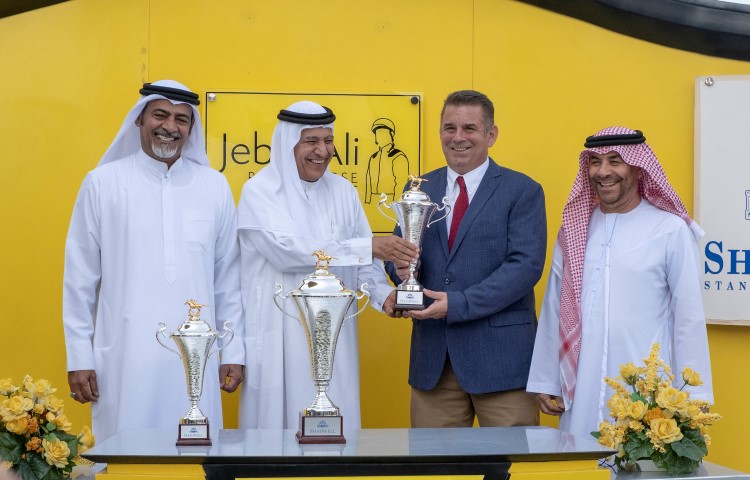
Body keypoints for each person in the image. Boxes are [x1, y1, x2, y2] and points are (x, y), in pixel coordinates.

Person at [63, 80, 245, 441]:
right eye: (160, 115)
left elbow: (228, 278)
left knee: (196, 451)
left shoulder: (214, 186)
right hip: (125, 355)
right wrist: (79, 357)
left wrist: (233, 350)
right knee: (126, 450)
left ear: (191, 129)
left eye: (181, 119)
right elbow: (80, 278)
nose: (170, 126)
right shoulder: (103, 183)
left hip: (198, 356)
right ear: (139, 120)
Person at [236, 101, 418, 429]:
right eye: (311, 141)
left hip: (336, 338)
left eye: (328, 140)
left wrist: (385, 297)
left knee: (336, 430)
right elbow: (287, 252)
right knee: (277, 436)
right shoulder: (260, 192)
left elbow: (364, 264)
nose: (322, 150)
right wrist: (366, 247)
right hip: (279, 336)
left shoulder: (343, 191)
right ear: (288, 144)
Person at [526, 126, 713, 442]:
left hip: (646, 388)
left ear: (638, 168)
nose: (603, 172)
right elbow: (555, 307)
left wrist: (694, 396)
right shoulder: (574, 230)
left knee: (640, 462)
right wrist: (547, 379)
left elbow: (689, 317)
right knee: (580, 459)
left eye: (615, 161)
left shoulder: (669, 230)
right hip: (582, 385)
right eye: (595, 162)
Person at [388, 90, 547, 427]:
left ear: (491, 134)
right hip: (434, 362)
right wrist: (401, 268)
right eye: (450, 128)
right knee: (433, 460)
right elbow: (398, 252)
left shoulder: (522, 190)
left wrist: (458, 304)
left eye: (469, 128)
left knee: (510, 458)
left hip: (502, 364)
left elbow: (525, 267)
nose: (458, 137)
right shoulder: (419, 188)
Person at [364, 117, 410, 204]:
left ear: (391, 134)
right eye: (377, 133)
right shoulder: (373, 157)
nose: (378, 136)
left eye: (382, 133)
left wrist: (396, 205)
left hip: (390, 201)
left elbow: (401, 184)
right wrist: (367, 201)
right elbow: (368, 182)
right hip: (373, 202)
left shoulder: (398, 156)